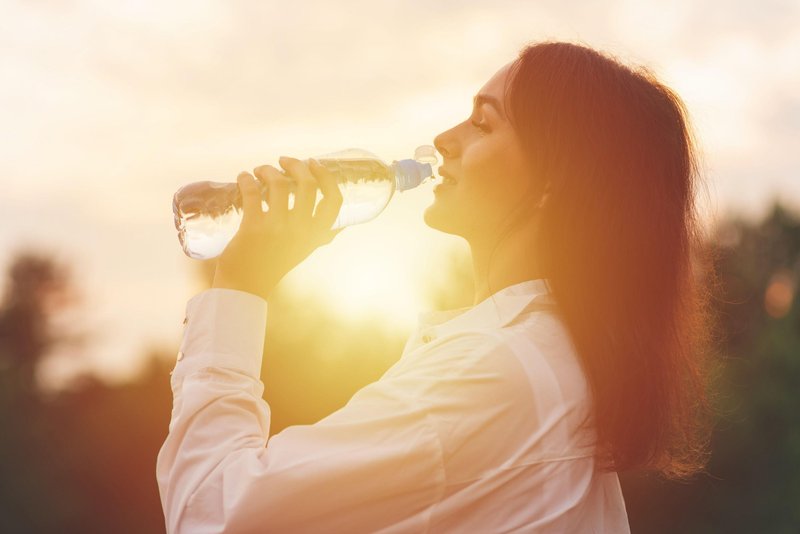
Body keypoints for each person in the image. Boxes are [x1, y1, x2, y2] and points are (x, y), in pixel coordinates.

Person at [157, 41, 715, 533]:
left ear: (553, 179)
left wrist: (240, 284)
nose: (444, 140)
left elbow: (213, 514)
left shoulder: (491, 372)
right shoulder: (542, 359)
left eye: (483, 123)